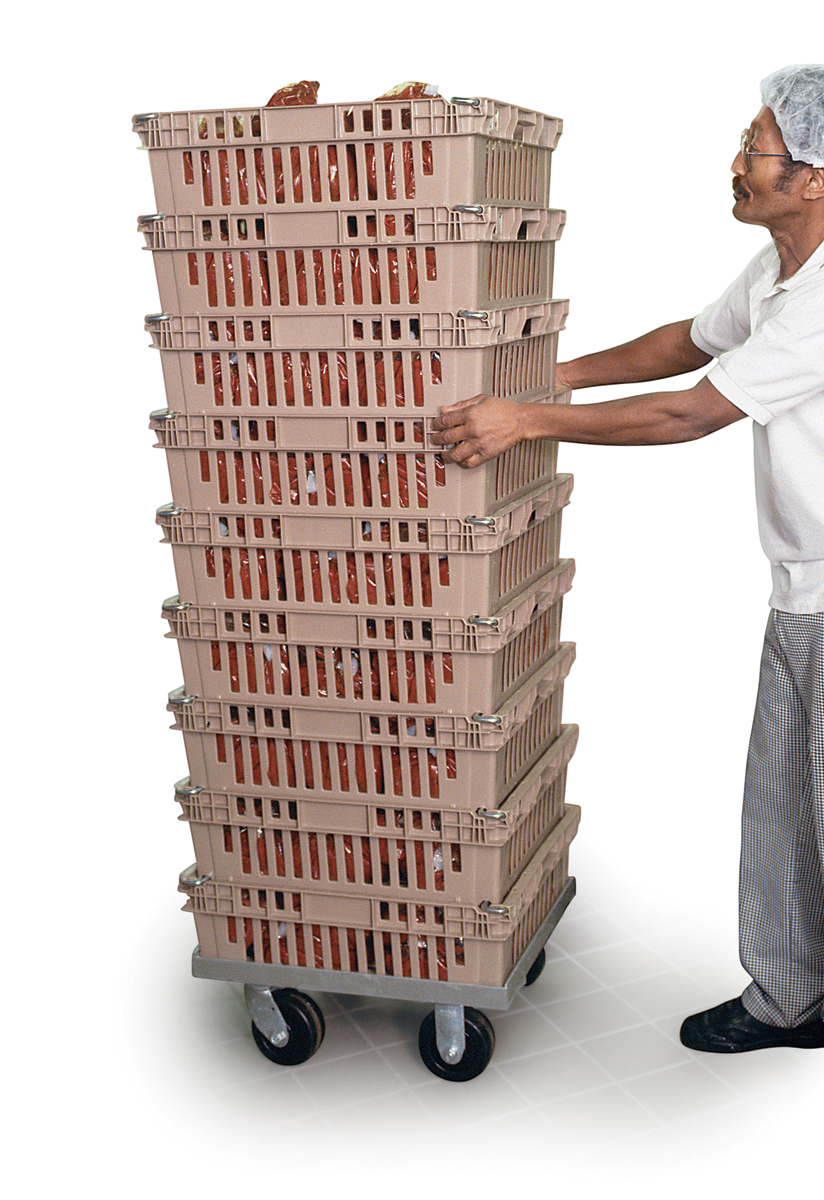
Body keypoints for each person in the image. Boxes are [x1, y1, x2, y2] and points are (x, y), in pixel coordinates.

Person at [431, 64, 824, 1053]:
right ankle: (789, 1001)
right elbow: (682, 346)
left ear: (813, 173)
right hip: (799, 589)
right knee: (781, 806)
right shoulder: (782, 267)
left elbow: (687, 410)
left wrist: (525, 417)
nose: (735, 164)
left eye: (755, 149)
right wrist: (553, 370)